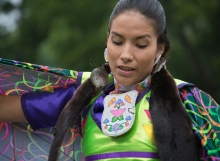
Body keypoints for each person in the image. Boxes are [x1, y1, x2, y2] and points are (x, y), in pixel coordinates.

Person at [0, 0, 219, 160]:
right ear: (107, 41)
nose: (126, 54)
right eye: (117, 41)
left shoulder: (188, 100)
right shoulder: (82, 97)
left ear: (159, 50)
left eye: (140, 44)